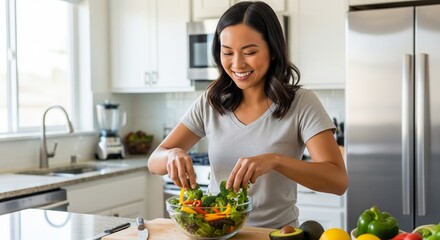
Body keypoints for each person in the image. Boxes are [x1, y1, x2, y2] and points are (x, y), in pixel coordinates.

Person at [148, 1, 348, 228]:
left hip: (274, 234)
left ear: (273, 51)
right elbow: (154, 161)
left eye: (250, 52)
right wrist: (172, 155)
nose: (237, 64)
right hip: (217, 231)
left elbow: (338, 181)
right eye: (227, 53)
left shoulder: (301, 103)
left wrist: (275, 160)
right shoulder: (211, 102)